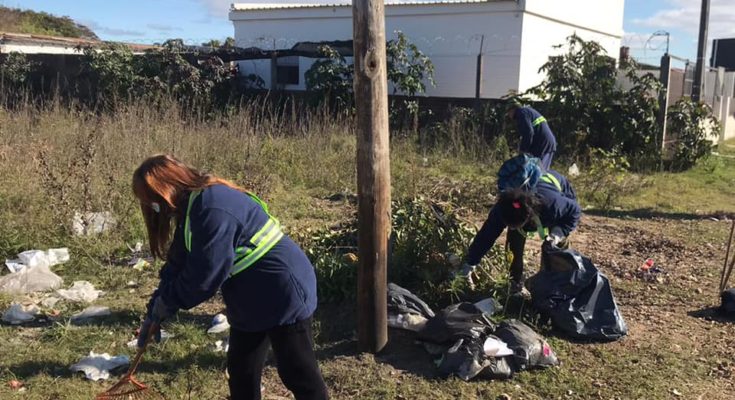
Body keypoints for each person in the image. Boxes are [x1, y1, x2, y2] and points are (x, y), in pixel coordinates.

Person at [132, 155, 329, 400]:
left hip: (282, 291)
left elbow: (204, 277)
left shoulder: (211, 207)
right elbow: (177, 264)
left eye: (151, 201)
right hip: (249, 297)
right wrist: (155, 309)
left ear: (165, 189)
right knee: (242, 372)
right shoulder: (191, 209)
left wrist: (169, 302)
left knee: (297, 372)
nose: (153, 208)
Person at [459, 169, 581, 295]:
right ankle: (515, 283)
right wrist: (469, 264)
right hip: (522, 208)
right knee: (514, 245)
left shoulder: (553, 204)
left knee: (555, 249)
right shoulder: (502, 209)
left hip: (558, 194)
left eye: (514, 225)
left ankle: (560, 288)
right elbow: (486, 236)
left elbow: (575, 211)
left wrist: (558, 233)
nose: (510, 228)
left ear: (528, 217)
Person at [507, 103, 557, 169]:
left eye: (508, 113)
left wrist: (523, 150)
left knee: (538, 172)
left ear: (512, 110)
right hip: (547, 143)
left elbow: (528, 133)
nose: (509, 116)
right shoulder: (527, 111)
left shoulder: (521, 113)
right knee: (541, 171)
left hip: (542, 145)